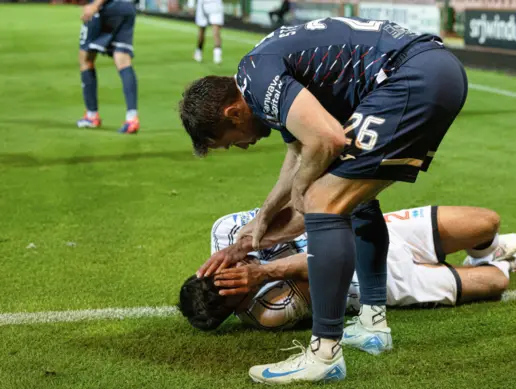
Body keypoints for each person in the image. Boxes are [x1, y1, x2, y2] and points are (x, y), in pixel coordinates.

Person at [178, 17, 468, 384]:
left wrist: (304, 192)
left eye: (231, 140)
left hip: (411, 78)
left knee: (323, 202)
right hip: (429, 70)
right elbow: (299, 156)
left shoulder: (257, 80)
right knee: (350, 199)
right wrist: (260, 223)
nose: (243, 145)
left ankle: (324, 353)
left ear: (232, 113)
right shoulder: (257, 76)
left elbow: (328, 140)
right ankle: (372, 324)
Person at [179, 204, 516, 334]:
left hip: (374, 230)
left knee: (486, 222)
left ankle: (488, 250)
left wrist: (245, 246)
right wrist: (264, 273)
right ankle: (503, 262)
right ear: (235, 307)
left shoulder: (224, 231)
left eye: (225, 271)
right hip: (382, 282)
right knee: (495, 283)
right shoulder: (267, 312)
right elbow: (330, 261)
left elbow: (294, 215)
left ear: (207, 268)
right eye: (235, 288)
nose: (239, 270)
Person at [77, 0, 139, 134]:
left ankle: (92, 115)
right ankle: (132, 118)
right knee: (123, 59)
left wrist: (95, 4)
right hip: (128, 6)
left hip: (107, 7)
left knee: (85, 59)